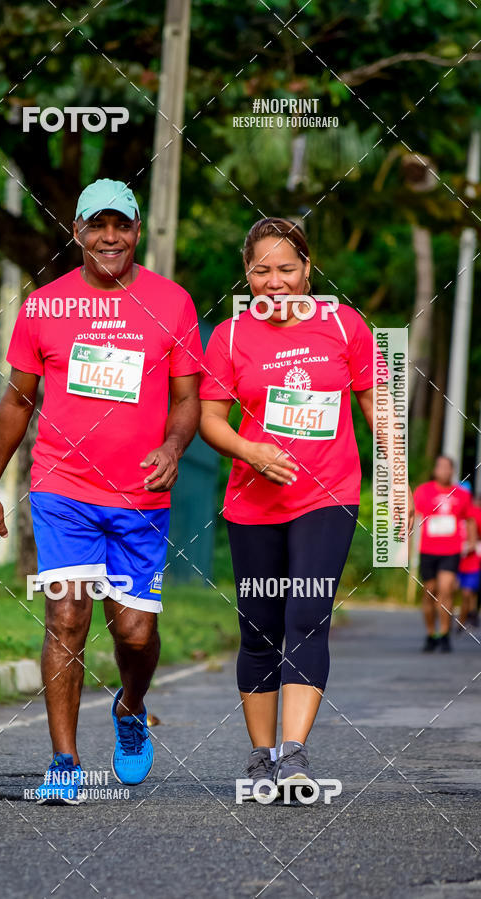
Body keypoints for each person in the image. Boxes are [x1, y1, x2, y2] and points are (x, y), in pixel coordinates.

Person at [0, 179, 202, 804]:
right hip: (63, 488)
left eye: (122, 225)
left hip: (140, 497)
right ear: (76, 230)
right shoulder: (45, 307)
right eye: (96, 224)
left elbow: (187, 399)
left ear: (137, 232)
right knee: (66, 615)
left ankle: (131, 709)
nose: (110, 236)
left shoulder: (173, 304)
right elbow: (18, 400)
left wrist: (172, 447)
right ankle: (64, 761)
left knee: (134, 632)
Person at [199, 216, 414, 800]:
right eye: (262, 270)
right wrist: (251, 451)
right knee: (260, 628)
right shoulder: (230, 337)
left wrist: (399, 481)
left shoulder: (344, 325)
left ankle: (294, 756)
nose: (275, 282)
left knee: (307, 616)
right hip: (253, 502)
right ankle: (260, 758)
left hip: (328, 494)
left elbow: (378, 405)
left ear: (308, 269)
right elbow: (209, 419)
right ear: (247, 274)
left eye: (287, 269)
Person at [413, 457, 476, 653]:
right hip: (428, 550)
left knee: (446, 589)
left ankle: (445, 633)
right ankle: (431, 633)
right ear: (435, 469)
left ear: (452, 471)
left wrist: (472, 542)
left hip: (451, 550)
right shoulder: (423, 491)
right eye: (441, 466)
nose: (444, 471)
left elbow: (471, 518)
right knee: (430, 591)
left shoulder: (462, 494)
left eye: (448, 467)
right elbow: (414, 517)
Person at [455, 481, 481, 632]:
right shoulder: (451, 509)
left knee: (467, 592)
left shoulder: (475, 511)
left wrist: (472, 544)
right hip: (453, 558)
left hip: (471, 559)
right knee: (448, 590)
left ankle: (462, 622)